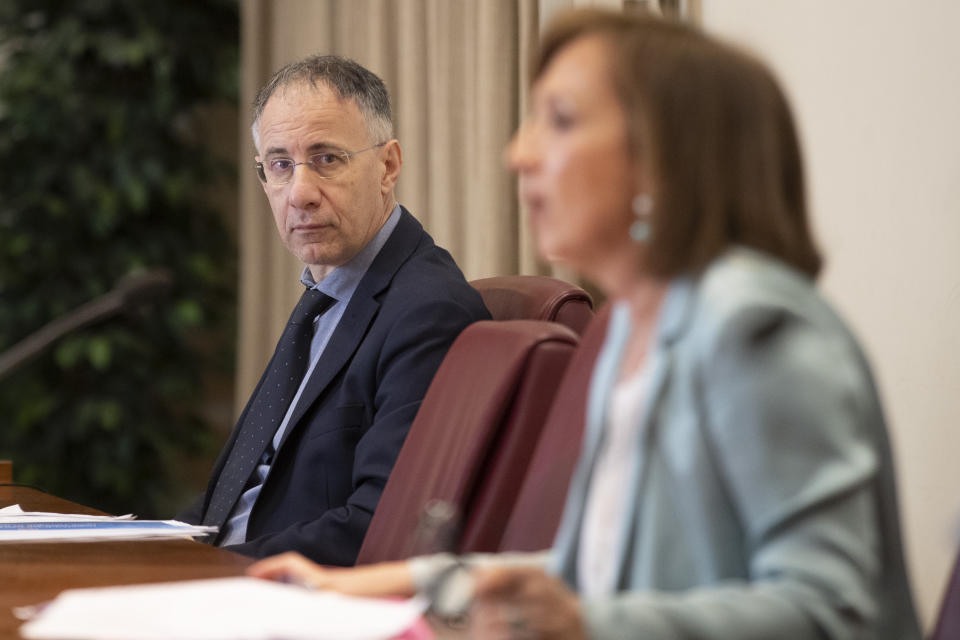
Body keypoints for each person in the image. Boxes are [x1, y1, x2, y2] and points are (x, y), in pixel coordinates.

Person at [246, 10, 923, 640]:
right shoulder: (628, 331)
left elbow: (837, 611)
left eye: (561, 121)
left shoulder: (758, 330)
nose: (520, 154)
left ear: (663, 155)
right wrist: (366, 585)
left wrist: (588, 626)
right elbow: (587, 571)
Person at [178, 55, 490, 564]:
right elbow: (233, 498)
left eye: (327, 158)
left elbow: (381, 524)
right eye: (280, 164)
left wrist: (211, 572)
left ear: (388, 166)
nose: (299, 193)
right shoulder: (323, 300)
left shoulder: (429, 311)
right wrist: (148, 550)